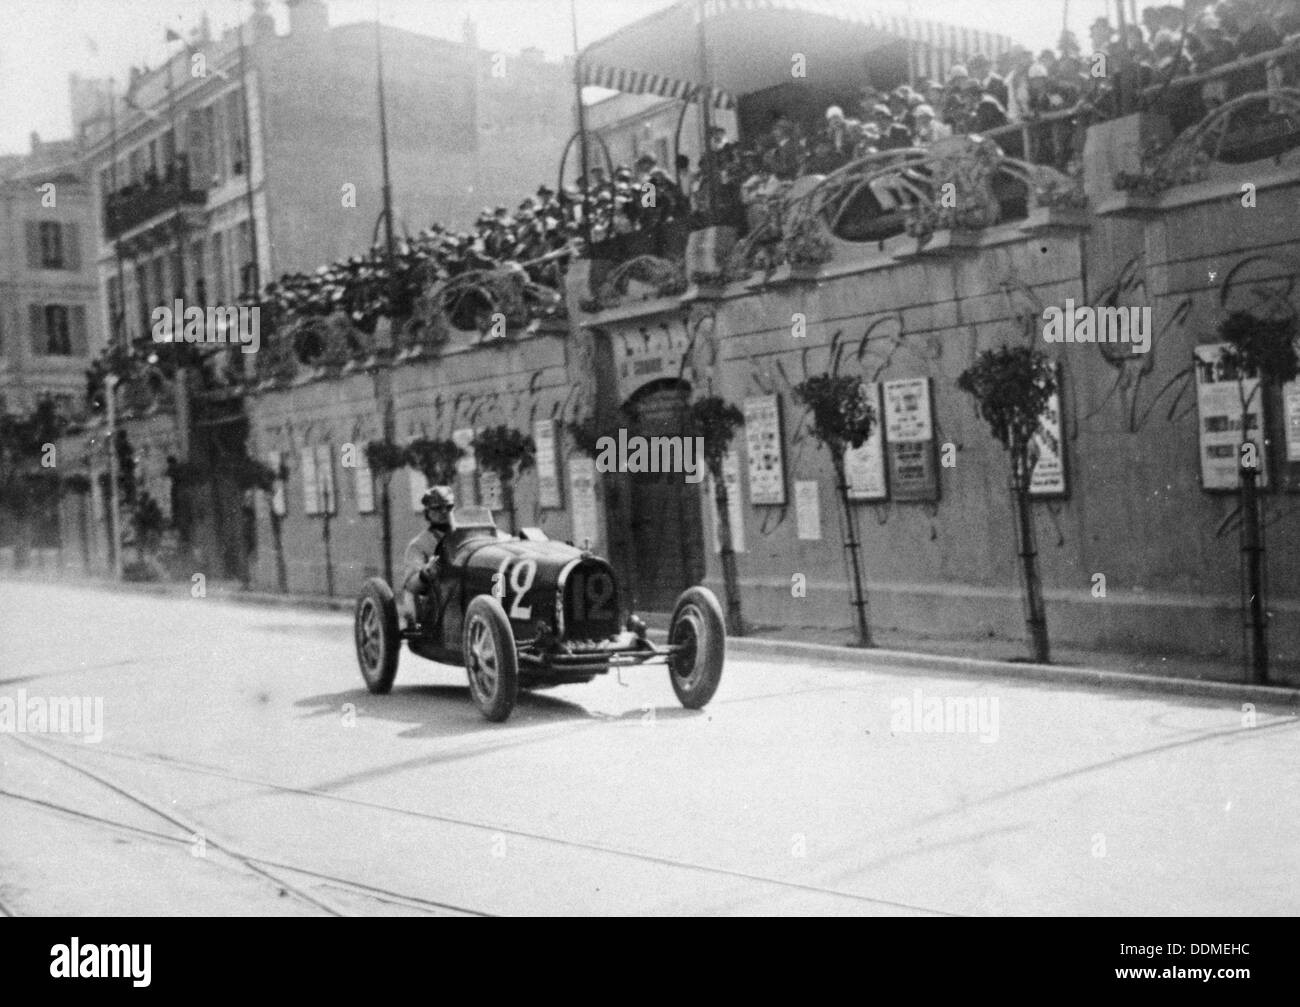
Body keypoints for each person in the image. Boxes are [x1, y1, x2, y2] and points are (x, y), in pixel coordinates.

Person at [399, 485, 455, 631]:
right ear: (427, 513)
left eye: (449, 507)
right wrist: (425, 573)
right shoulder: (419, 544)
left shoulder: (466, 535)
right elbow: (410, 584)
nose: (444, 512)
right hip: (438, 601)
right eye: (437, 508)